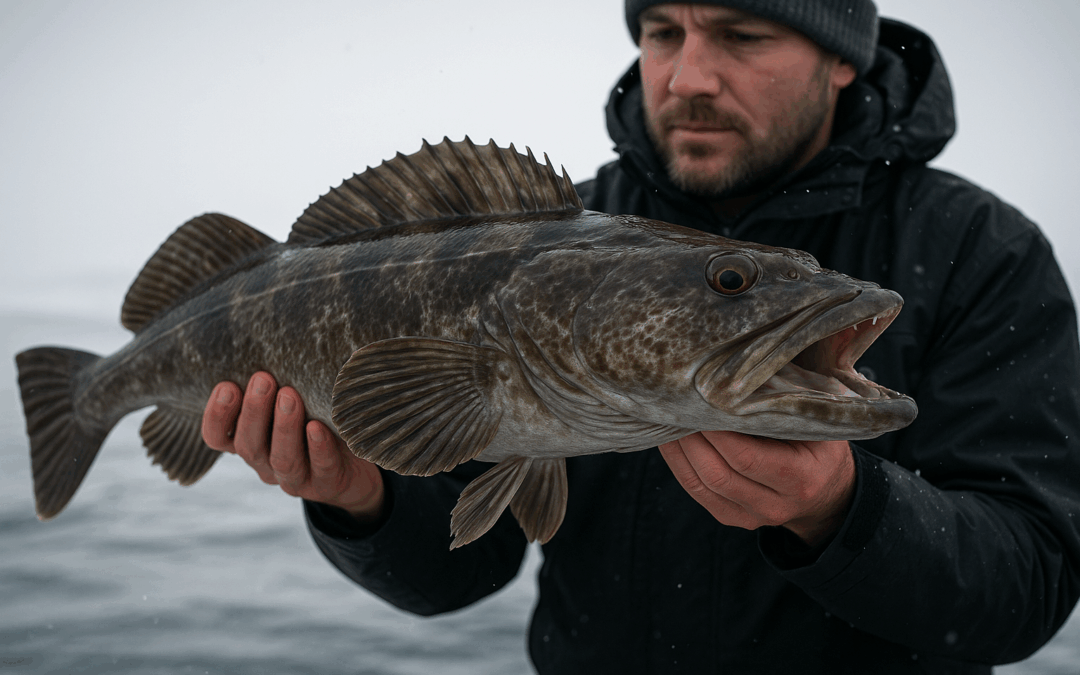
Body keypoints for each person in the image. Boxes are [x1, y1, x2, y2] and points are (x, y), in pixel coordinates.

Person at [200, 1, 1080, 672]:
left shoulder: (980, 253)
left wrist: (841, 511)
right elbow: (459, 572)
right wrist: (362, 502)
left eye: (742, 34)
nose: (689, 75)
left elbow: (1032, 584)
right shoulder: (554, 237)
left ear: (842, 60)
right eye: (663, 31)